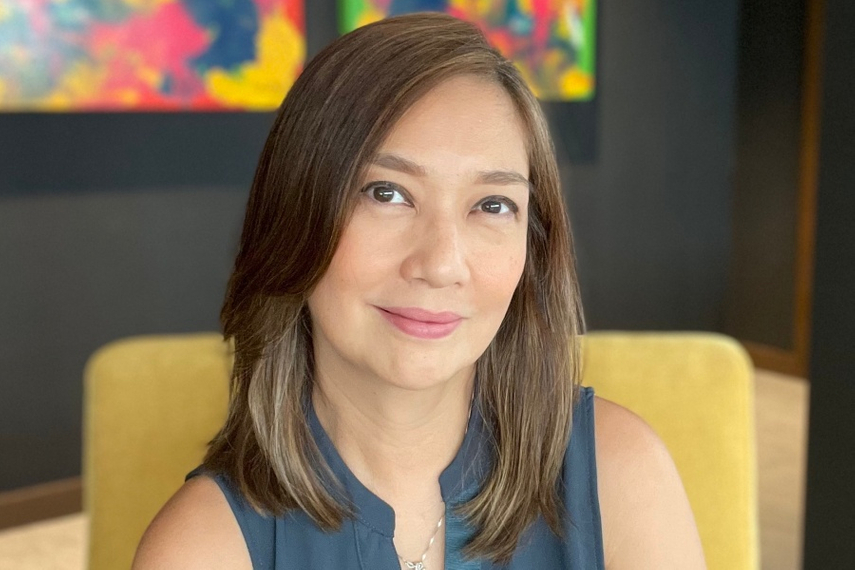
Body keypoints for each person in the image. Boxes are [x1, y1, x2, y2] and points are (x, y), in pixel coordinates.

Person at [133, 12, 705, 570]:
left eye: (492, 204)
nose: (441, 264)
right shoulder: (199, 550)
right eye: (387, 193)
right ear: (295, 214)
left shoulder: (619, 474)